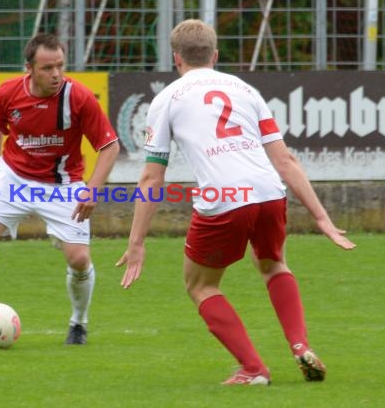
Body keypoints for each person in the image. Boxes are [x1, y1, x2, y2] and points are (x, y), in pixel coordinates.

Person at [116, 19, 356, 385]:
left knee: (201, 286)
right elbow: (285, 160)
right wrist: (321, 217)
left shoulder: (166, 99)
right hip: (268, 192)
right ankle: (300, 345)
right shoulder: (245, 89)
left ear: (175, 58)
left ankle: (254, 369)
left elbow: (152, 177)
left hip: (224, 198)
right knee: (274, 265)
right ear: (214, 55)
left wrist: (136, 243)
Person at [0, 33, 120, 345]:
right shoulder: (9, 92)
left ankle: (78, 323)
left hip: (63, 184)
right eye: (47, 68)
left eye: (60, 67)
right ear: (29, 68)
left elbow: (110, 146)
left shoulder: (78, 97)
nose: (56, 74)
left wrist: (92, 190)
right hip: (13, 177)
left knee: (79, 259)